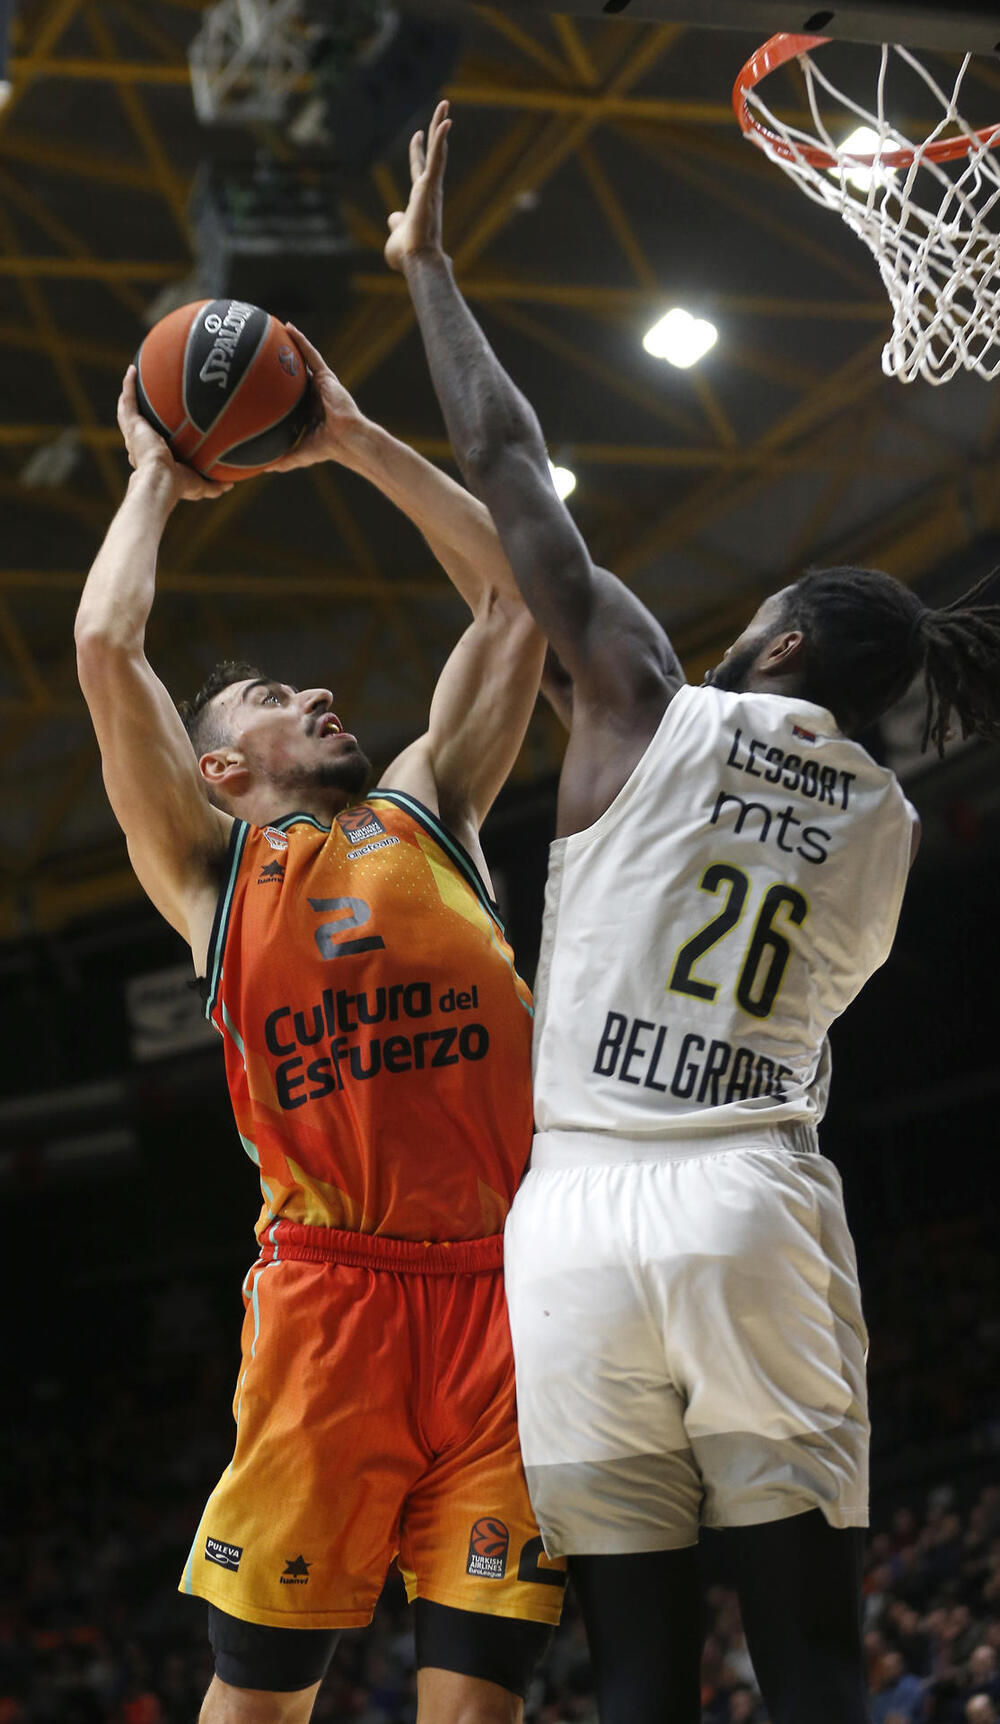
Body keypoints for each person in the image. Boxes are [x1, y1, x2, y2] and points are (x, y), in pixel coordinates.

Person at [388, 99, 1000, 1724]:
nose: (739, 625)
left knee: (640, 1666)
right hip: (750, 1197)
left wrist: (431, 267)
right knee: (807, 1649)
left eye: (766, 617)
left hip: (578, 1216)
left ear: (786, 647)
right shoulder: (895, 828)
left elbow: (509, 467)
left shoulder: (646, 702)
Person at [74, 314, 566, 1724]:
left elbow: (521, 595)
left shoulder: (433, 808)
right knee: (263, 1707)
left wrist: (351, 435)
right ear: (223, 765)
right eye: (283, 700)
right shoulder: (207, 876)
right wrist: (154, 473)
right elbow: (109, 646)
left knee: (476, 1706)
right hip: (330, 1305)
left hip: (510, 1290)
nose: (322, 693)